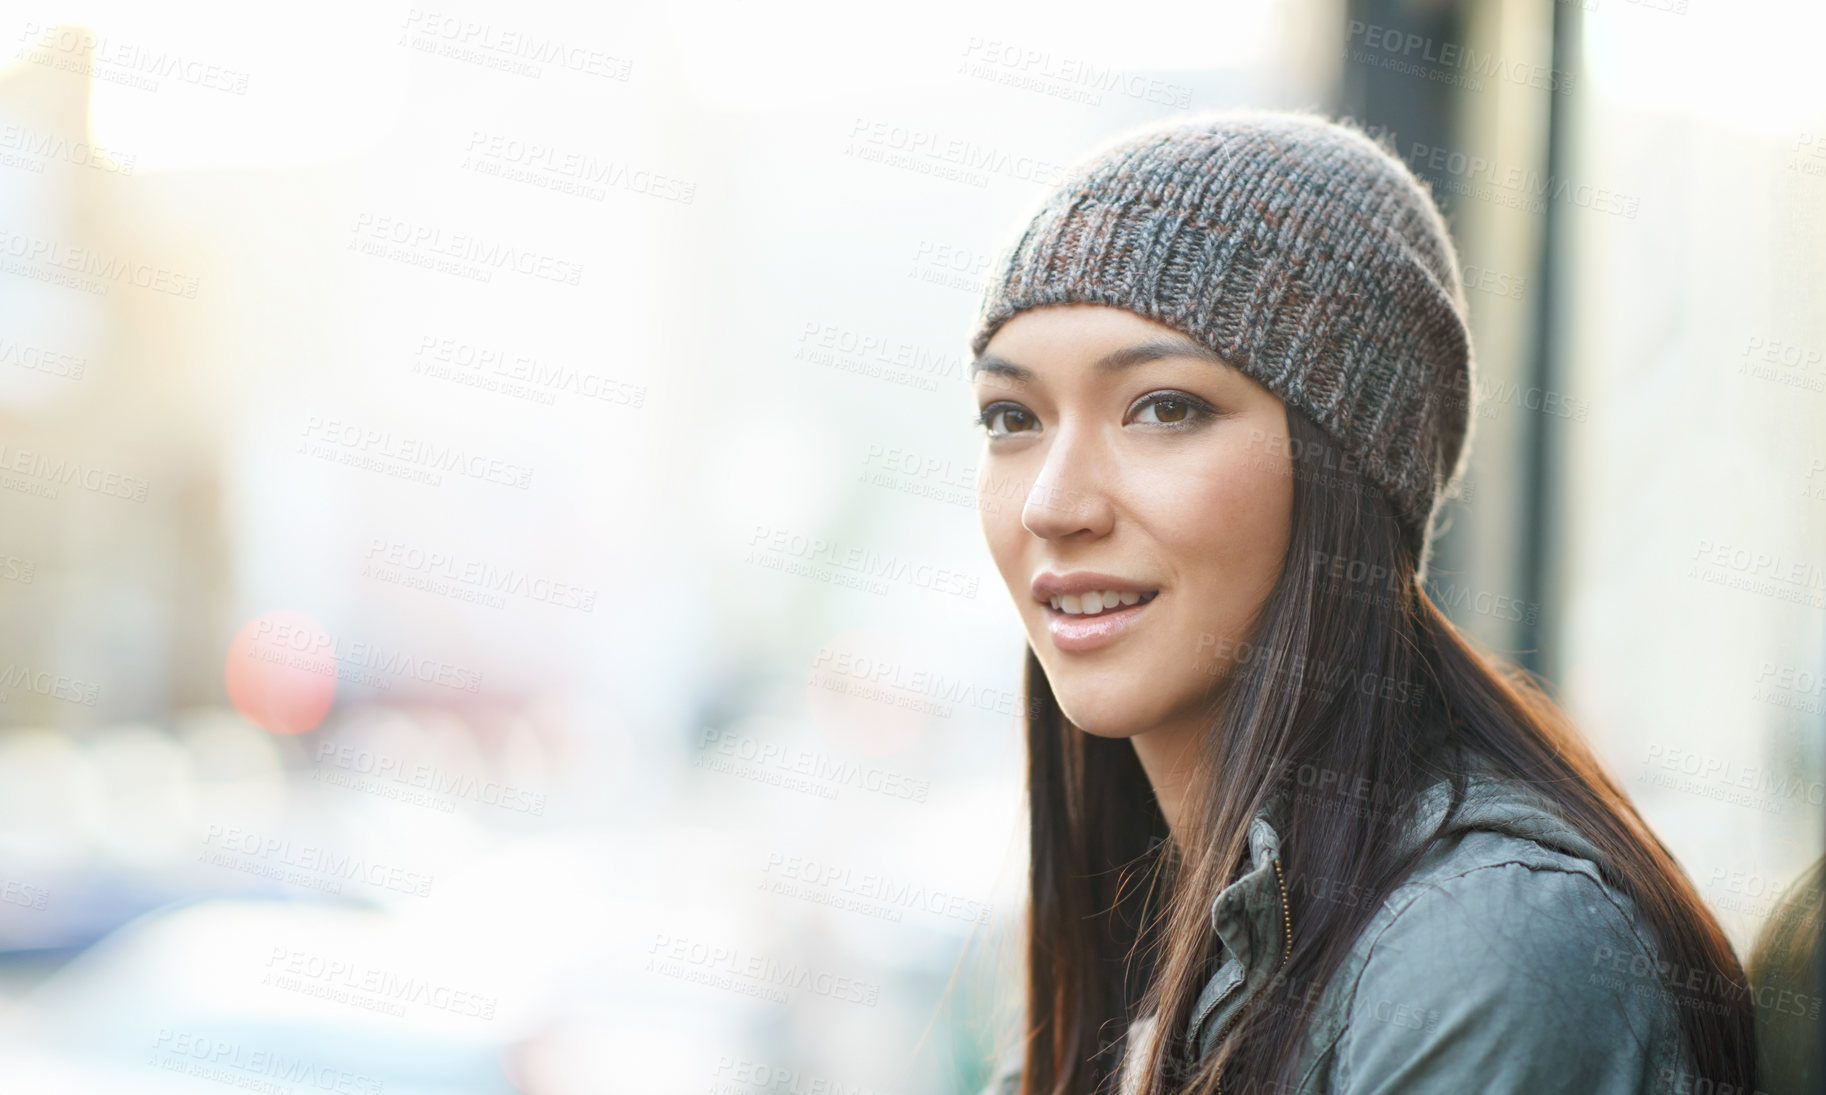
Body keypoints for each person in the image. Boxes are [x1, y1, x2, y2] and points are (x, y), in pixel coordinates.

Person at [964, 110, 1757, 1095]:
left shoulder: (1480, 949)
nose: (1052, 503)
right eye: (1011, 418)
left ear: (1346, 469)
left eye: (1164, 408)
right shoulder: (1143, 931)